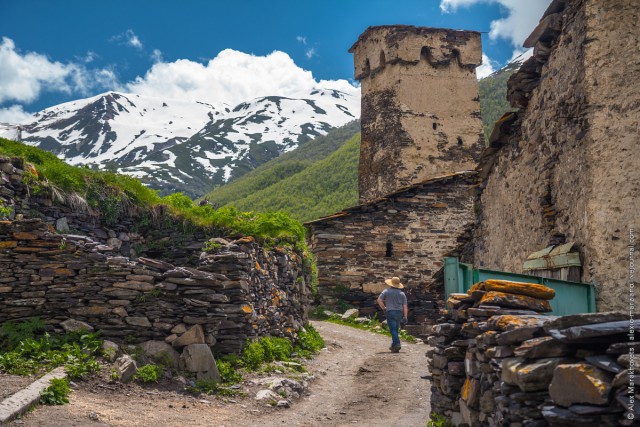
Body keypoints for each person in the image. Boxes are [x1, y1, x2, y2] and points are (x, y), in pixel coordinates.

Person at [377, 276, 408, 353]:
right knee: (396, 329)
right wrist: (405, 316)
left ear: (391, 283)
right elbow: (405, 306)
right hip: (399, 313)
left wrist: (384, 308)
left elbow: (379, 300)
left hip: (390, 312)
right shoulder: (402, 294)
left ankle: (397, 344)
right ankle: (393, 346)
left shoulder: (386, 291)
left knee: (393, 330)